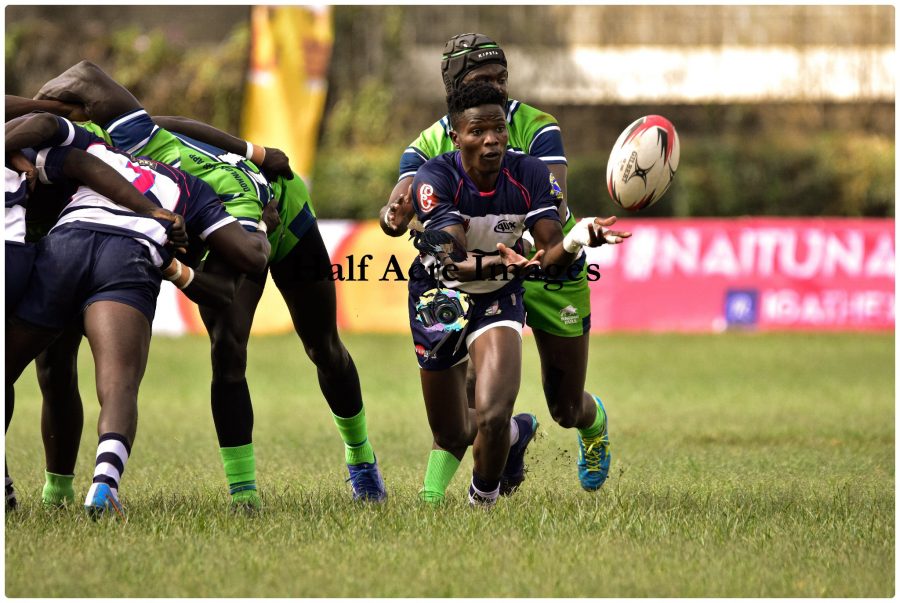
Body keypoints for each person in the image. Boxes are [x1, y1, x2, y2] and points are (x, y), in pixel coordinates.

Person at [34, 61, 387, 507]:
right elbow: (120, 96)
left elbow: (246, 256)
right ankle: (244, 496)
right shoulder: (124, 143)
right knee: (226, 350)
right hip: (224, 224)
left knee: (323, 347)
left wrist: (254, 160)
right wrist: (47, 112)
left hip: (274, 218)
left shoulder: (211, 188)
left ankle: (361, 459)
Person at [382, 34, 627, 498]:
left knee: (565, 406)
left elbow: (548, 212)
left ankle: (591, 424)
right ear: (455, 90)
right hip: (483, 276)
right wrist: (393, 215)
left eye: (502, 79)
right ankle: (481, 467)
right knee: (477, 408)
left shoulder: (537, 125)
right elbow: (402, 204)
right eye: (484, 80)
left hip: (551, 265)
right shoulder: (429, 143)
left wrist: (567, 242)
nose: (498, 88)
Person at [5, 113, 274, 517]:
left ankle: (26, 485)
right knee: (118, 385)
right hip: (128, 258)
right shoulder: (195, 187)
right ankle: (103, 485)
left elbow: (45, 129)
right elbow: (249, 259)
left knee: (20, 370)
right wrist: (261, 228)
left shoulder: (98, 151)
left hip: (65, 249)